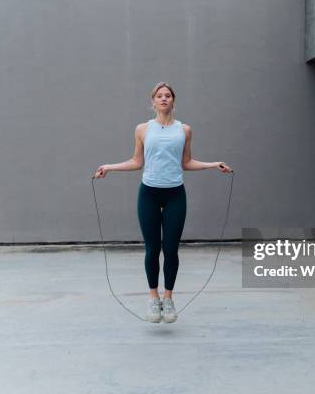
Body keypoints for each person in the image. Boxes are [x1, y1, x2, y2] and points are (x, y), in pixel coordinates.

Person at [94, 82, 232, 323]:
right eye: (160, 96)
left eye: (168, 95)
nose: (164, 99)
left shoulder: (184, 130)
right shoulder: (142, 129)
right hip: (148, 193)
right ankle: (153, 298)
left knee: (170, 249)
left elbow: (186, 162)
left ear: (173, 101)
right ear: (153, 101)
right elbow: (137, 161)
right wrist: (109, 167)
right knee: (152, 248)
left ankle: (168, 299)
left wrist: (212, 164)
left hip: (175, 194)